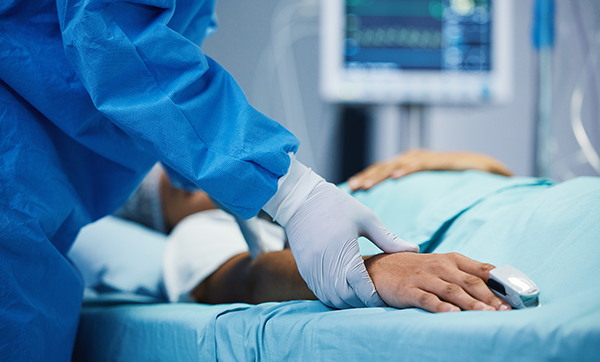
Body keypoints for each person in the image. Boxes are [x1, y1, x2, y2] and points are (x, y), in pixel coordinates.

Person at [0, 1, 497, 360]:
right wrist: (372, 270)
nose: (200, 186)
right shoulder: (217, 222)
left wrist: (465, 162)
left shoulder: (243, 194)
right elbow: (249, 275)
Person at [103, 150, 513, 312]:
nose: (217, 180)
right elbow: (248, 278)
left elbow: (505, 181)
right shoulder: (199, 232)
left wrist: (449, 160)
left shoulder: (326, 202)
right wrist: (372, 269)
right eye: (185, 187)